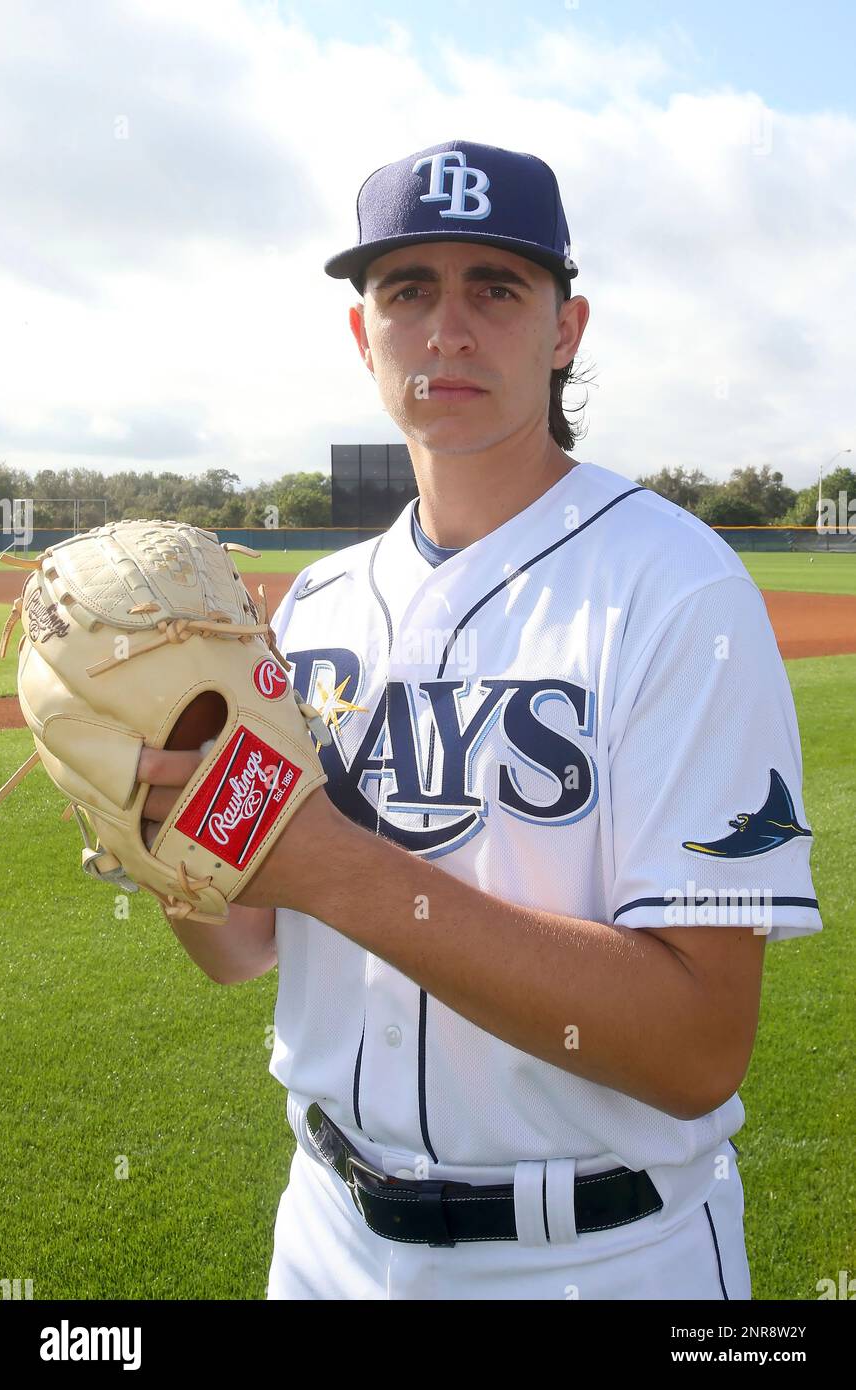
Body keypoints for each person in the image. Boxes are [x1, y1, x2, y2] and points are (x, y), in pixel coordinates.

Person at [139, 140, 822, 1300]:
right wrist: (161, 837)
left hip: (603, 1255)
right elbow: (244, 947)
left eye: (494, 287)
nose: (447, 330)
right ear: (364, 336)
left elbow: (695, 1047)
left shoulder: (676, 587)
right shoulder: (313, 605)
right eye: (408, 289)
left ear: (565, 328)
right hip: (323, 1238)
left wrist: (335, 867)